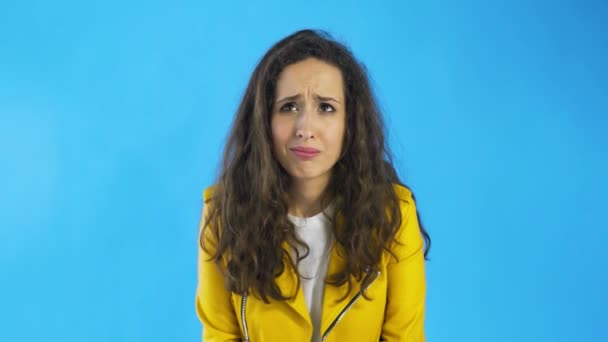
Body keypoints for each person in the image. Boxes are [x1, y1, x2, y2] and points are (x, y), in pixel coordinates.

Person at [195, 29, 431, 342]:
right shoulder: (224, 217)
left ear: (350, 124)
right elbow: (220, 335)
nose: (306, 129)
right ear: (264, 120)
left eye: (326, 107)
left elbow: (405, 337)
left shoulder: (394, 216)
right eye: (289, 106)